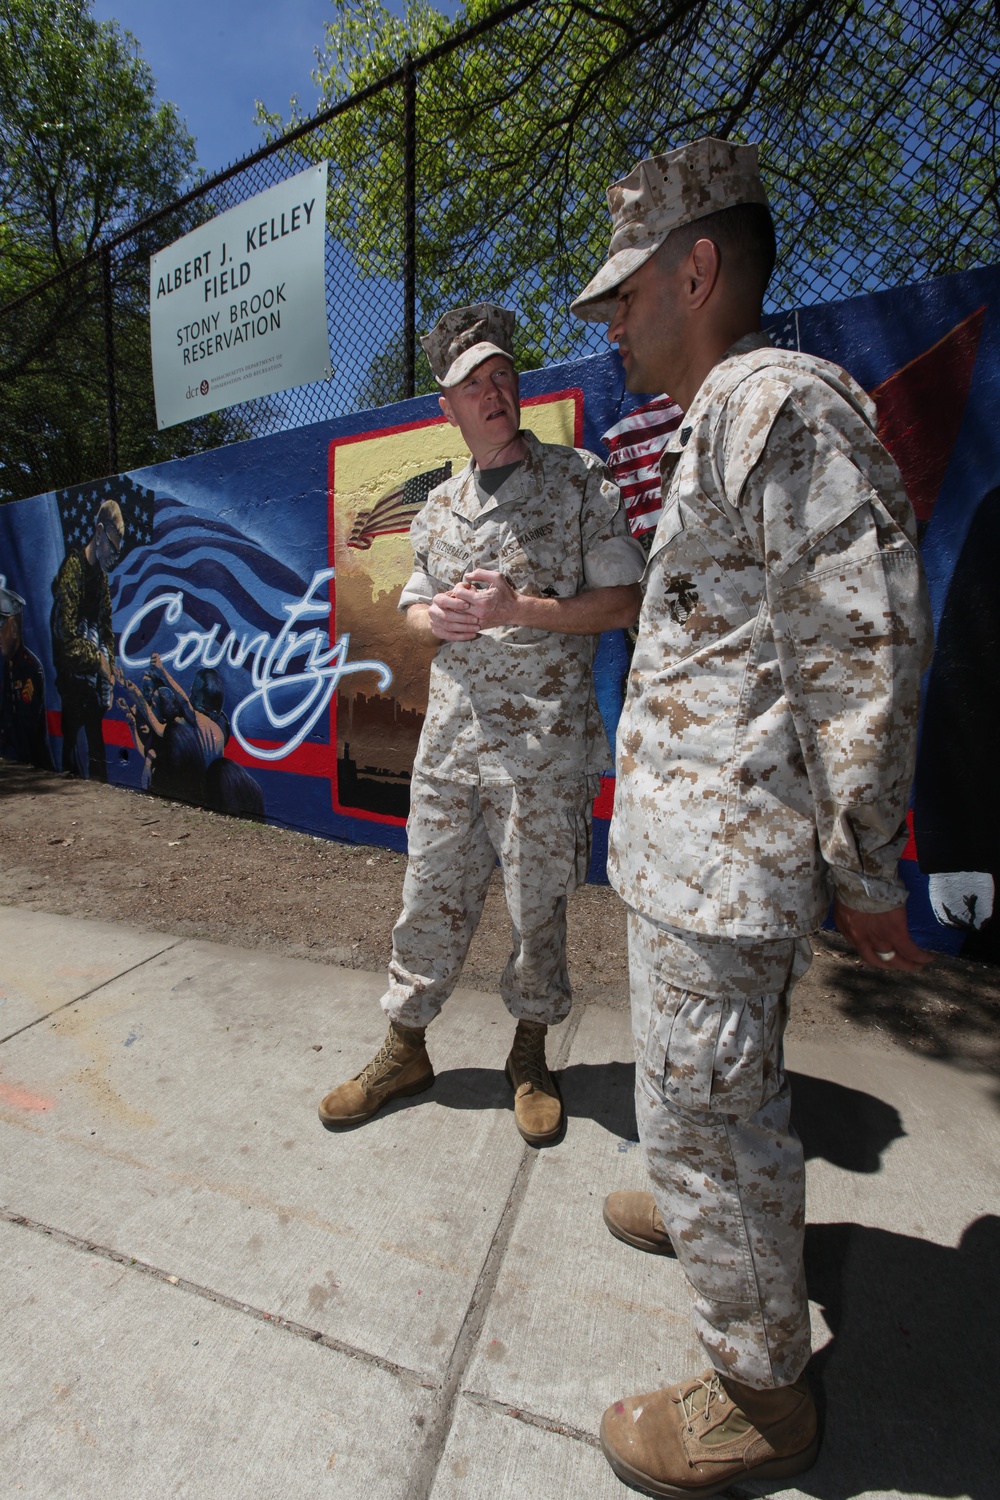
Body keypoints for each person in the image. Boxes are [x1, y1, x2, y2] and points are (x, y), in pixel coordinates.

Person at [570, 138, 933, 1495]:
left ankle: (758, 1393)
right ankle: (695, 1196)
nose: (610, 321)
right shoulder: (726, 409)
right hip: (695, 864)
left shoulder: (773, 403)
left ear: (699, 267)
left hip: (730, 873)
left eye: (624, 293)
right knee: (706, 1094)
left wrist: (868, 864)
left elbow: (864, 643)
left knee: (714, 1115)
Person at [319, 303, 645, 1144]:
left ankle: (531, 1053)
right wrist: (442, 621)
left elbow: (623, 600)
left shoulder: (580, 480)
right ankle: (404, 1047)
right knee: (425, 898)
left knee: (541, 912)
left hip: (544, 752)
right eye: (474, 383)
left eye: (503, 376)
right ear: (448, 408)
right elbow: (416, 607)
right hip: (454, 748)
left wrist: (519, 607)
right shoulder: (437, 508)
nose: (494, 392)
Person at [50, 498, 124, 780]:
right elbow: (66, 639)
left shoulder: (100, 581)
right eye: (112, 547)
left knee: (98, 765)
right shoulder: (74, 569)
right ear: (98, 531)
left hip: (92, 689)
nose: (114, 557)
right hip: (72, 686)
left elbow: (106, 630)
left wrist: (111, 668)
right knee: (75, 765)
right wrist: (99, 662)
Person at [0, 578, 54, 770]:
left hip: (35, 765)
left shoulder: (30, 668)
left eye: (1, 624)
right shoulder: (10, 665)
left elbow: (26, 726)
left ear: (14, 629)